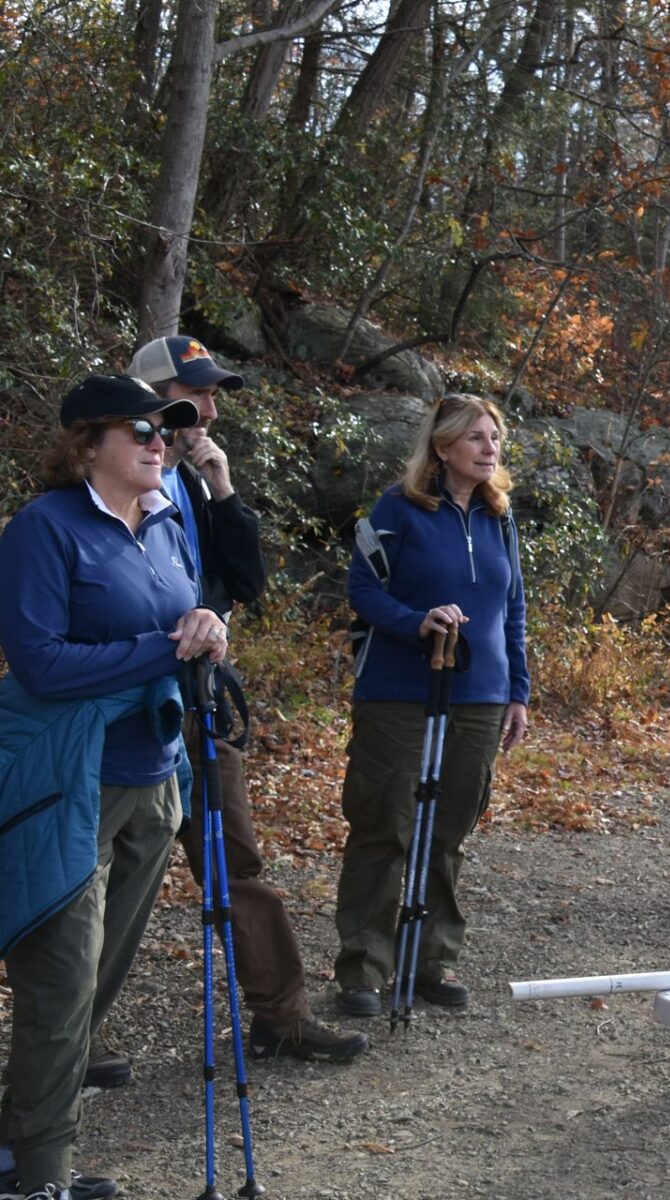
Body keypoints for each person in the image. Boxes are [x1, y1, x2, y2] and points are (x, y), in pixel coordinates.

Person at [0, 374, 228, 1200]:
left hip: (154, 779)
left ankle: (13, 1147)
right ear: (87, 443)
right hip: (68, 787)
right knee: (61, 984)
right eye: (140, 428)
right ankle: (42, 1178)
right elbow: (41, 663)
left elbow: (187, 622)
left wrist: (211, 629)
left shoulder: (169, 522)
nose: (159, 439)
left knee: (96, 985)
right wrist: (167, 650)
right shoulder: (43, 530)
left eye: (165, 427)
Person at [127, 335, 367, 1064]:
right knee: (105, 875)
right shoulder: (111, 484)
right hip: (126, 708)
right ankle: (76, 1038)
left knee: (236, 861)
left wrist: (224, 488)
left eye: (213, 393)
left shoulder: (195, 482)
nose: (208, 407)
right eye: (194, 392)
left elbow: (249, 582)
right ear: (151, 397)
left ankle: (281, 1016)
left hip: (200, 699)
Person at [332, 394, 530, 1016]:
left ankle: (430, 959)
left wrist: (517, 690)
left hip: (480, 692)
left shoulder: (500, 518)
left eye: (494, 437)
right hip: (398, 691)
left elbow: (513, 611)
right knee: (385, 824)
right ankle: (363, 968)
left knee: (449, 829)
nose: (489, 447)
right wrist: (415, 622)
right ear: (442, 447)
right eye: (475, 437)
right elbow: (361, 589)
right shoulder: (398, 509)